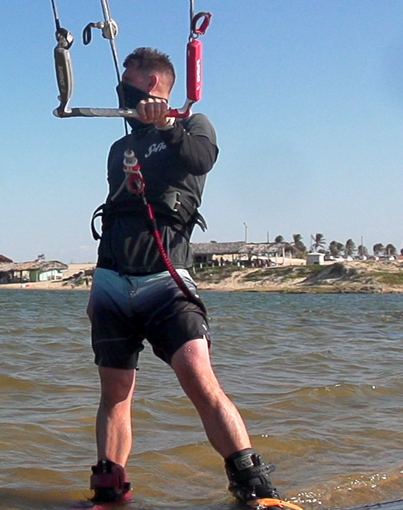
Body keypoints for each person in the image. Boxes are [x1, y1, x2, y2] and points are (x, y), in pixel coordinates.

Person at [86, 47, 280, 505]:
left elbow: (201, 160)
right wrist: (98, 286)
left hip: (165, 280)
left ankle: (255, 487)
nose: (121, 85)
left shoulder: (193, 125)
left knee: (198, 377)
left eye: (128, 77)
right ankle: (109, 492)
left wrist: (166, 126)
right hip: (112, 281)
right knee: (115, 392)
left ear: (152, 82)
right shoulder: (119, 149)